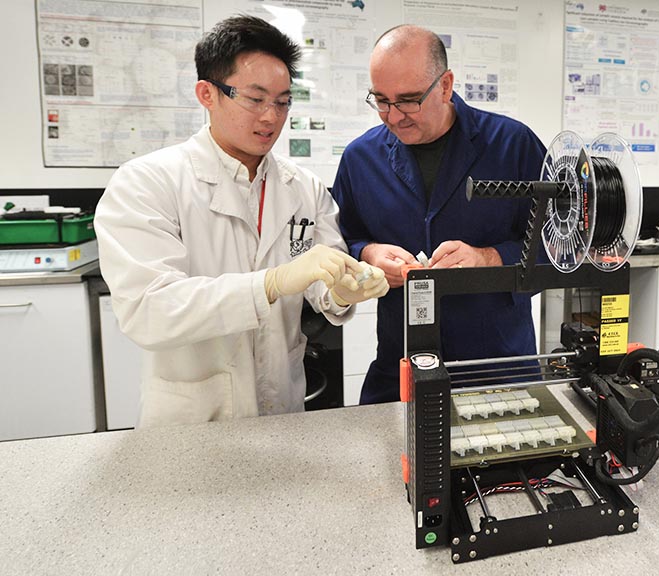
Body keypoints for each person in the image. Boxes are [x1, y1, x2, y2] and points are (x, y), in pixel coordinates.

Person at [95, 15, 388, 427]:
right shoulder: (147, 182)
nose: (272, 117)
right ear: (207, 94)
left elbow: (322, 278)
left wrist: (343, 289)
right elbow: (150, 310)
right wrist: (267, 284)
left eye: (283, 101)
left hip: (284, 410)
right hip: (192, 420)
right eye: (255, 99)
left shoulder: (302, 187)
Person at [331, 25, 546, 404]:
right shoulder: (360, 159)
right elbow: (341, 241)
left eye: (409, 100)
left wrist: (490, 258)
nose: (394, 117)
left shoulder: (513, 145)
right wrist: (368, 254)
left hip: (499, 368)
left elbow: (560, 250)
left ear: (445, 86)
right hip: (402, 367)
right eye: (381, 100)